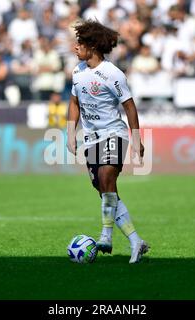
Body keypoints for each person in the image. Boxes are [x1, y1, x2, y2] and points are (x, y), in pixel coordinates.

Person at [67, 20, 149, 264]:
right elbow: (74, 103)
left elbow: (130, 106)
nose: (76, 47)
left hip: (114, 133)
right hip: (91, 139)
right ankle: (136, 241)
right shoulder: (78, 72)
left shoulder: (113, 74)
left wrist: (136, 139)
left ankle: (106, 235)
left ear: (92, 46)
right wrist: (70, 132)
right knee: (104, 189)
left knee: (106, 178)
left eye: (80, 43)